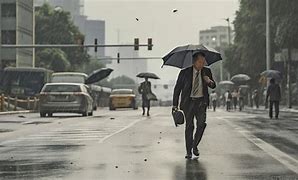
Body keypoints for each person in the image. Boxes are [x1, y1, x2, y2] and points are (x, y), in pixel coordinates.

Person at [172, 52, 216, 159]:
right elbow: (177, 89)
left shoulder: (206, 71)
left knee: (201, 124)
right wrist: (175, 105)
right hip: (188, 103)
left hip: (201, 102)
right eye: (200, 62)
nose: (202, 64)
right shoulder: (184, 73)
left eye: (203, 62)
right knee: (189, 126)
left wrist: (209, 81)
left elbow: (213, 85)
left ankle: (194, 145)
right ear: (194, 62)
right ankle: (188, 151)